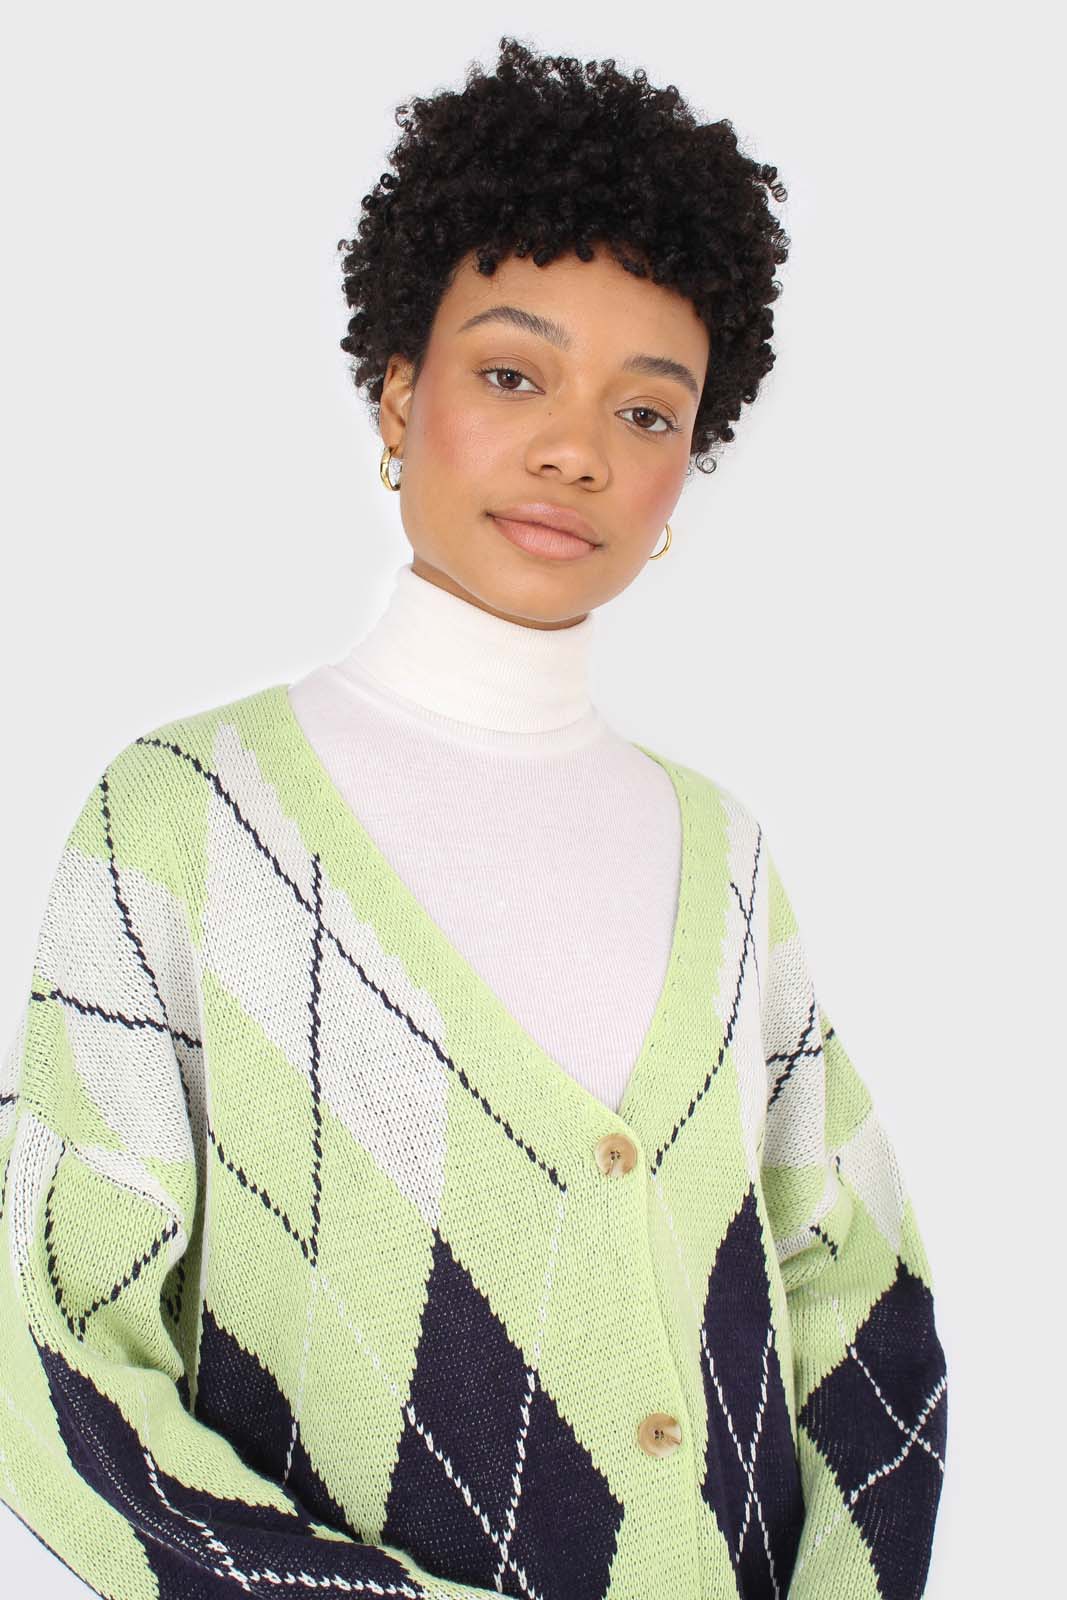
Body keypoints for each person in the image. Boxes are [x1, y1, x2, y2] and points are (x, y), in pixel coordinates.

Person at [0, 35, 947, 1600]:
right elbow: (52, 1353)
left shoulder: (723, 855)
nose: (577, 450)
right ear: (398, 392)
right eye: (514, 376)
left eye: (649, 414)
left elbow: (859, 1297)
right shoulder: (177, 825)